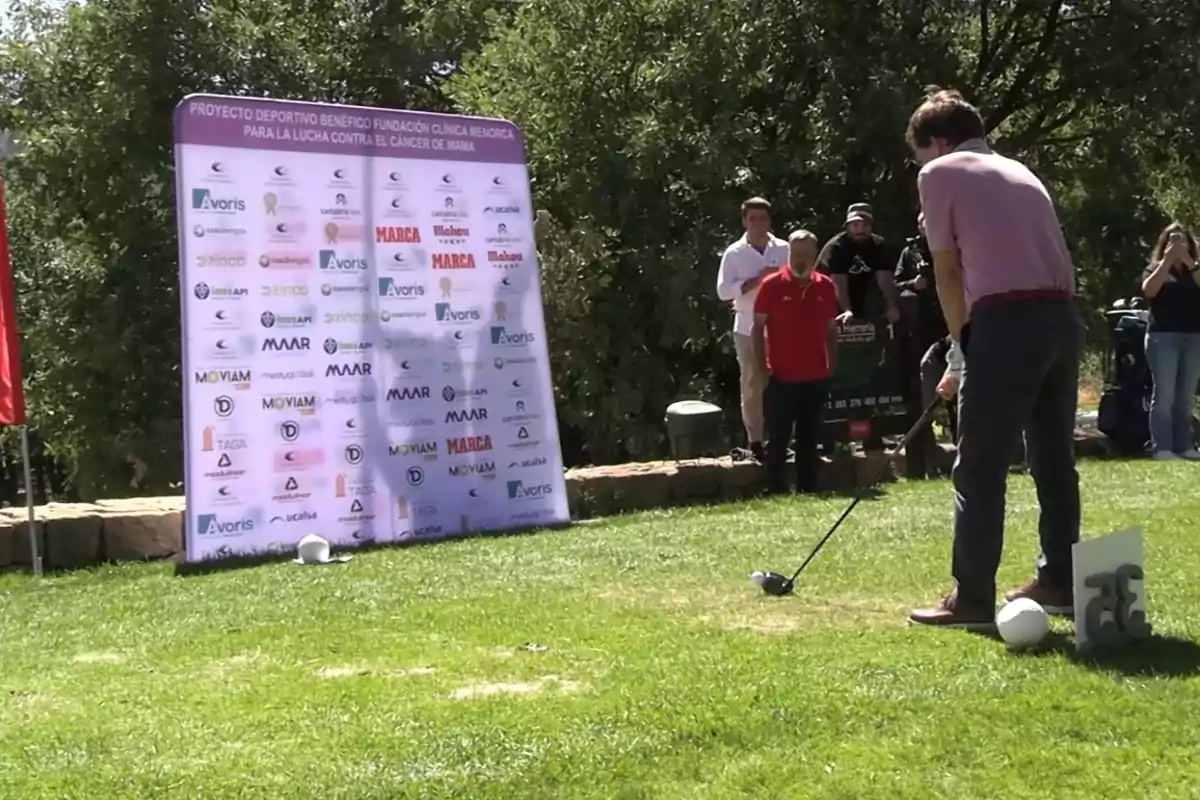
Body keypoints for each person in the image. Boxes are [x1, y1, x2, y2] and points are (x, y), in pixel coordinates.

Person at [904, 87, 1082, 629]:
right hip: (1061, 318)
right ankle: (1059, 581)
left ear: (936, 142)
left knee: (979, 463)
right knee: (1053, 460)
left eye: (919, 153)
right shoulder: (1019, 170)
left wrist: (960, 344)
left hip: (1006, 320)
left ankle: (973, 599)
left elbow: (948, 272)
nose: (919, 166)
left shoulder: (938, 174)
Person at [751, 230, 840, 494]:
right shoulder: (772, 285)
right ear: (788, 253)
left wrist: (831, 364)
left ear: (815, 254)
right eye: (795, 253)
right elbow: (756, 328)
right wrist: (760, 367)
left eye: (806, 254)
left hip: (815, 375)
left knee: (809, 437)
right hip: (781, 376)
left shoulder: (825, 285)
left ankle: (808, 488)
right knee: (778, 437)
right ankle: (774, 488)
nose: (800, 259)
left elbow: (831, 329)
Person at [716, 197, 789, 462]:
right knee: (752, 384)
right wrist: (755, 281)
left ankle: (780, 438)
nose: (758, 224)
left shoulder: (783, 248)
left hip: (780, 327)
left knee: (783, 384)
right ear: (744, 221)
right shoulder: (734, 253)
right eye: (753, 219)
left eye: (763, 218)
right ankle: (756, 441)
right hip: (748, 327)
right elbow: (723, 291)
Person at [894, 212, 950, 478]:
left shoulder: (952, 244)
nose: (927, 227)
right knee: (924, 400)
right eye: (922, 223)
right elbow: (895, 284)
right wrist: (913, 284)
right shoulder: (910, 252)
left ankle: (963, 461)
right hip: (921, 331)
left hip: (952, 327)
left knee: (959, 398)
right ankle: (925, 464)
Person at [1141, 223, 1200, 460]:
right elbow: (1149, 291)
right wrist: (1166, 263)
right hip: (1162, 337)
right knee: (1164, 394)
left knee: (1185, 396)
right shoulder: (1155, 269)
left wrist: (1188, 261)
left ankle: (1185, 445)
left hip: (1194, 337)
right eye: (1172, 240)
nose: (1177, 245)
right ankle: (1162, 448)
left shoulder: (1194, 269)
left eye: (1181, 240)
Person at [817, 203, 901, 324]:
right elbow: (838, 282)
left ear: (871, 226)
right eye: (855, 225)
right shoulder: (837, 247)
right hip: (832, 295)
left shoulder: (878, 244)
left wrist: (891, 305)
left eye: (865, 225)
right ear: (848, 227)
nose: (860, 230)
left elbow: (885, 278)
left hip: (863, 294)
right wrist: (846, 310)